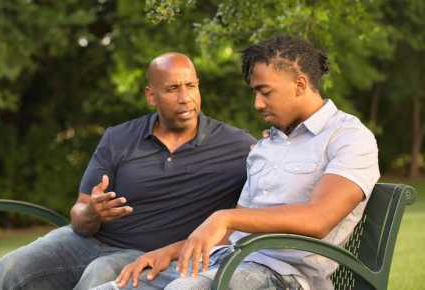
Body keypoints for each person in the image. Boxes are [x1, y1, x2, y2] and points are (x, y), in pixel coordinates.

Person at [94, 35, 380, 290]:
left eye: (265, 91)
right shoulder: (268, 145)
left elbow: (318, 218)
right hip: (227, 261)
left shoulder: (348, 138)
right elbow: (234, 232)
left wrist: (224, 216)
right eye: (254, 92)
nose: (256, 103)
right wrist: (167, 252)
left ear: (300, 84)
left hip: (284, 276)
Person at [0, 52, 256, 290]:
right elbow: (79, 214)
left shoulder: (236, 146)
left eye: (191, 86)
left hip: (148, 254)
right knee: (11, 265)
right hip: (87, 240)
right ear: (151, 96)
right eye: (173, 89)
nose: (185, 98)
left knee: (98, 274)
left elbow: (272, 180)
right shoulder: (119, 138)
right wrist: (92, 212)